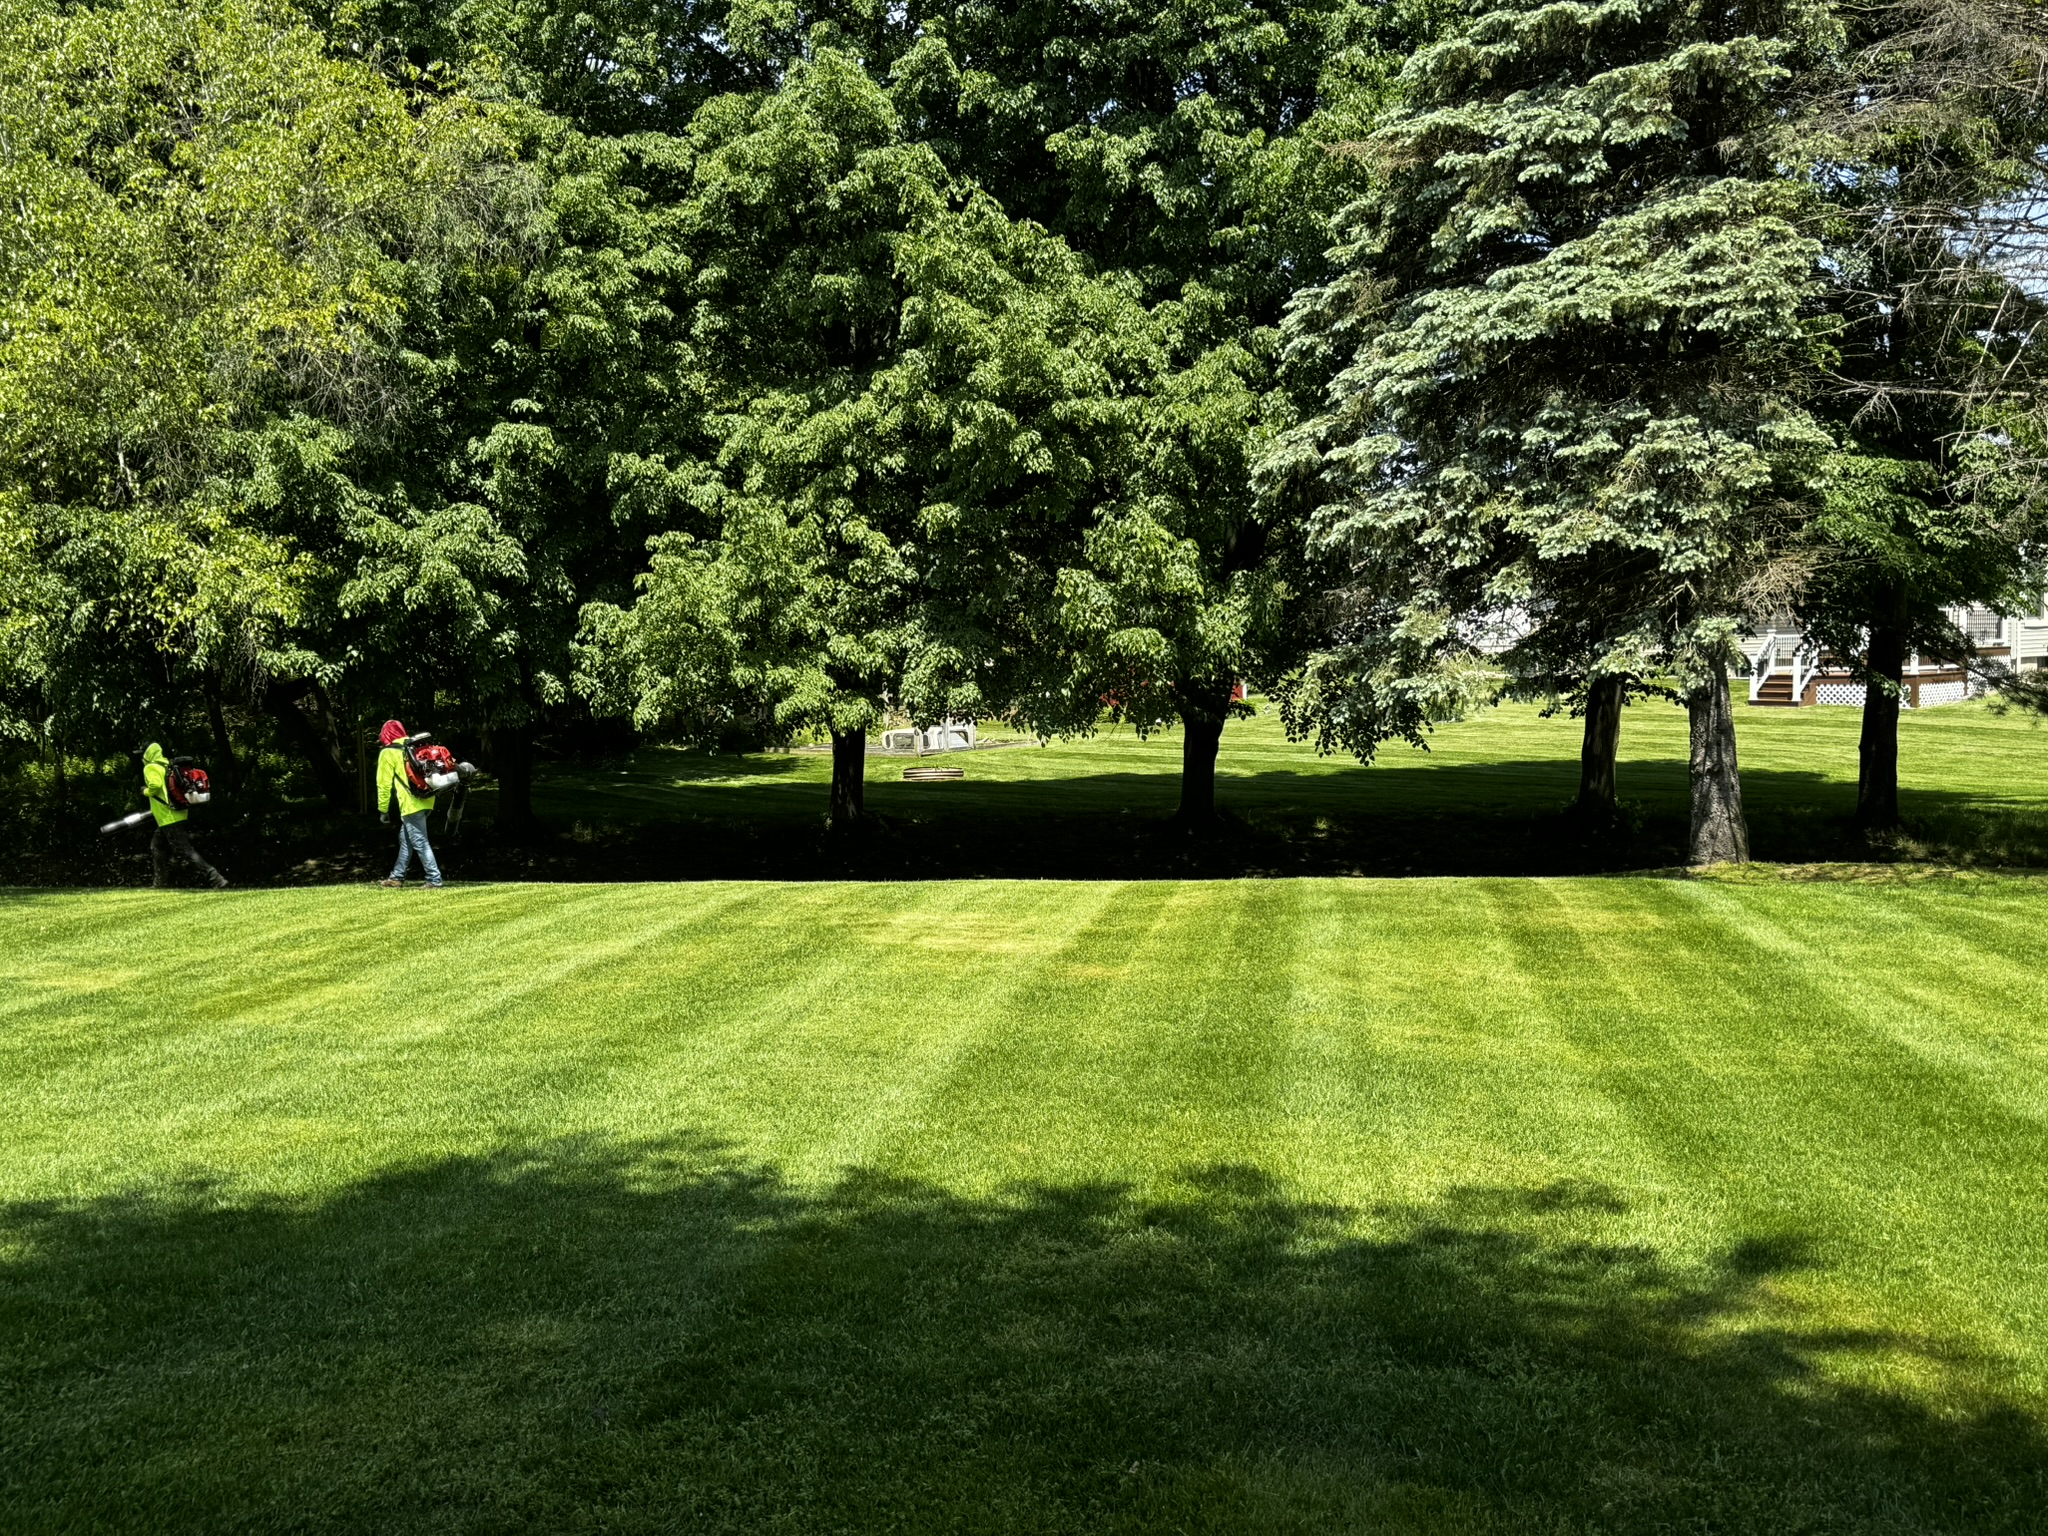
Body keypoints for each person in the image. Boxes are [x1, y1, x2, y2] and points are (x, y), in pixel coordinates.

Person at [142, 742, 227, 889]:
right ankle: (160, 883)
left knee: (184, 850)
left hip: (168, 816)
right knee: (157, 846)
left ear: (147, 754)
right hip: (178, 812)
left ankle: (215, 878)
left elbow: (155, 786)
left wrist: (145, 791)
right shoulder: (168, 765)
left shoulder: (151, 767)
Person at [376, 718, 443, 888]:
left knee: (420, 841)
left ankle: (434, 879)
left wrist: (383, 810)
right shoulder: (414, 745)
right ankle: (396, 877)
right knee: (406, 839)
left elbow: (383, 784)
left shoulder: (388, 752)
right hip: (427, 798)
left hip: (410, 803)